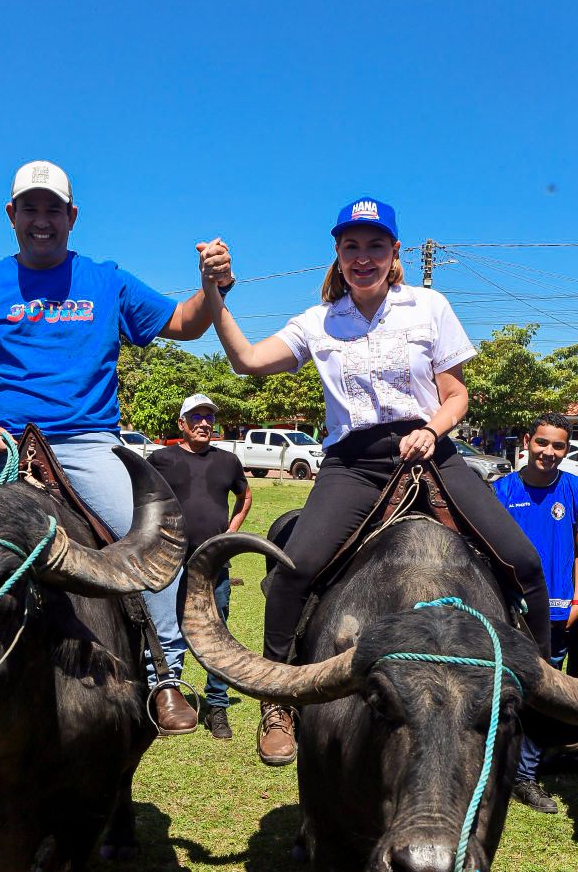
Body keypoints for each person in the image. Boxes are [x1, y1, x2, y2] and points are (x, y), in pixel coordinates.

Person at [197, 196, 551, 765]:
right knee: (294, 572)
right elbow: (246, 360)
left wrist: (433, 430)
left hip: (430, 452)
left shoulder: (429, 306)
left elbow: (456, 395)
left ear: (395, 252)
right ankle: (279, 700)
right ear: (337, 254)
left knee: (525, 562)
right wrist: (216, 292)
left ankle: (539, 691)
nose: (364, 257)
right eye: (352, 246)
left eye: (375, 245)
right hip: (353, 464)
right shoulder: (317, 322)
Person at [0, 160, 235, 736]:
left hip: (87, 443)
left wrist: (210, 284)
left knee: (159, 545)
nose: (41, 220)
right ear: (11, 215)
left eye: (53, 209)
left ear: (71, 217)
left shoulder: (106, 281)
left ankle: (166, 675)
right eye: (30, 208)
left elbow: (185, 323)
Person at [149, 393, 252, 738]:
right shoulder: (162, 459)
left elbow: (245, 496)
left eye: (209, 417)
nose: (204, 423)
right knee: (167, 631)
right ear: (182, 424)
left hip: (212, 563)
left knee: (216, 631)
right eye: (196, 417)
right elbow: (142, 499)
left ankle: (217, 708)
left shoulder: (228, 461)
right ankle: (167, 696)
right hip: (169, 560)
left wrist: (230, 534)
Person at [493, 413, 578, 813]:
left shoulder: (574, 490)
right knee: (513, 689)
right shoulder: (501, 492)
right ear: (528, 441)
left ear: (566, 448)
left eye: (558, 445)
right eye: (542, 443)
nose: (549, 452)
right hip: (512, 610)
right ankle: (512, 771)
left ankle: (529, 770)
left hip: (562, 612)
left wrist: (577, 599)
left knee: (548, 690)